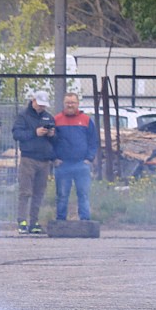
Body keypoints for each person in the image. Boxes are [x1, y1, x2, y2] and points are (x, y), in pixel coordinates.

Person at [12, 90, 56, 234]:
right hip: (28, 159)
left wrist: (51, 134)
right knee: (25, 192)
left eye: (44, 105)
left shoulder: (48, 117)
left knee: (39, 193)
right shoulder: (23, 116)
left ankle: (34, 222)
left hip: (44, 161)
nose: (42, 108)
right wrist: (34, 133)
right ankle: (22, 221)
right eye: (40, 104)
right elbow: (17, 134)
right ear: (33, 101)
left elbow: (55, 140)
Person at [53, 92, 99, 221]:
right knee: (62, 195)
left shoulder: (86, 120)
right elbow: (51, 141)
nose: (70, 105)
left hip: (81, 164)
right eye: (68, 102)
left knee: (83, 195)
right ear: (64, 103)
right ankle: (61, 222)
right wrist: (54, 158)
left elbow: (93, 141)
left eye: (73, 102)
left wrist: (89, 158)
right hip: (62, 165)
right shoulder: (56, 120)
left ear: (78, 104)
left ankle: (85, 221)